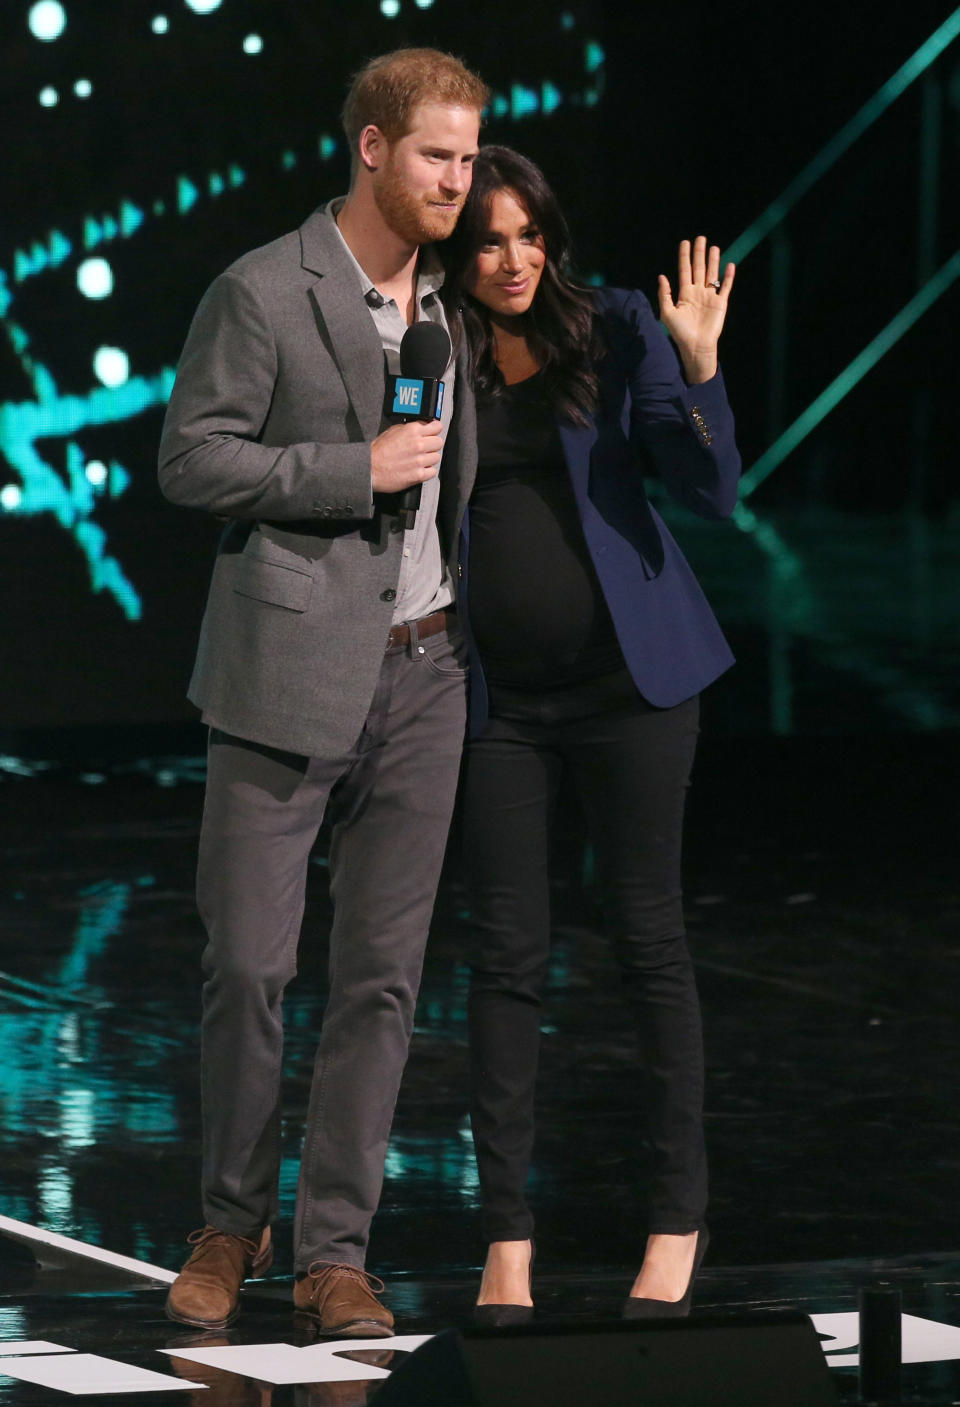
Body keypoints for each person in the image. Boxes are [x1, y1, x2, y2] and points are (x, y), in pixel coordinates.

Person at [157, 48, 489, 1337]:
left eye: (468, 158)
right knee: (248, 966)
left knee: (383, 980)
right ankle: (227, 1227)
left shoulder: (454, 307)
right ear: (370, 149)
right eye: (435, 157)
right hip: (284, 669)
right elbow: (192, 460)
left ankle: (335, 1248)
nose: (457, 180)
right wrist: (351, 468)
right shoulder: (264, 289)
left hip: (426, 671)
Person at [439, 146, 739, 1322]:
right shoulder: (439, 347)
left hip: (633, 692)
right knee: (507, 960)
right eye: (489, 241)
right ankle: (506, 1243)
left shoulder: (618, 328)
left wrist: (700, 368)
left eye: (529, 237)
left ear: (552, 240)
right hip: (496, 704)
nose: (512, 260)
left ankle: (676, 1219)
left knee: (646, 944)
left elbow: (707, 493)